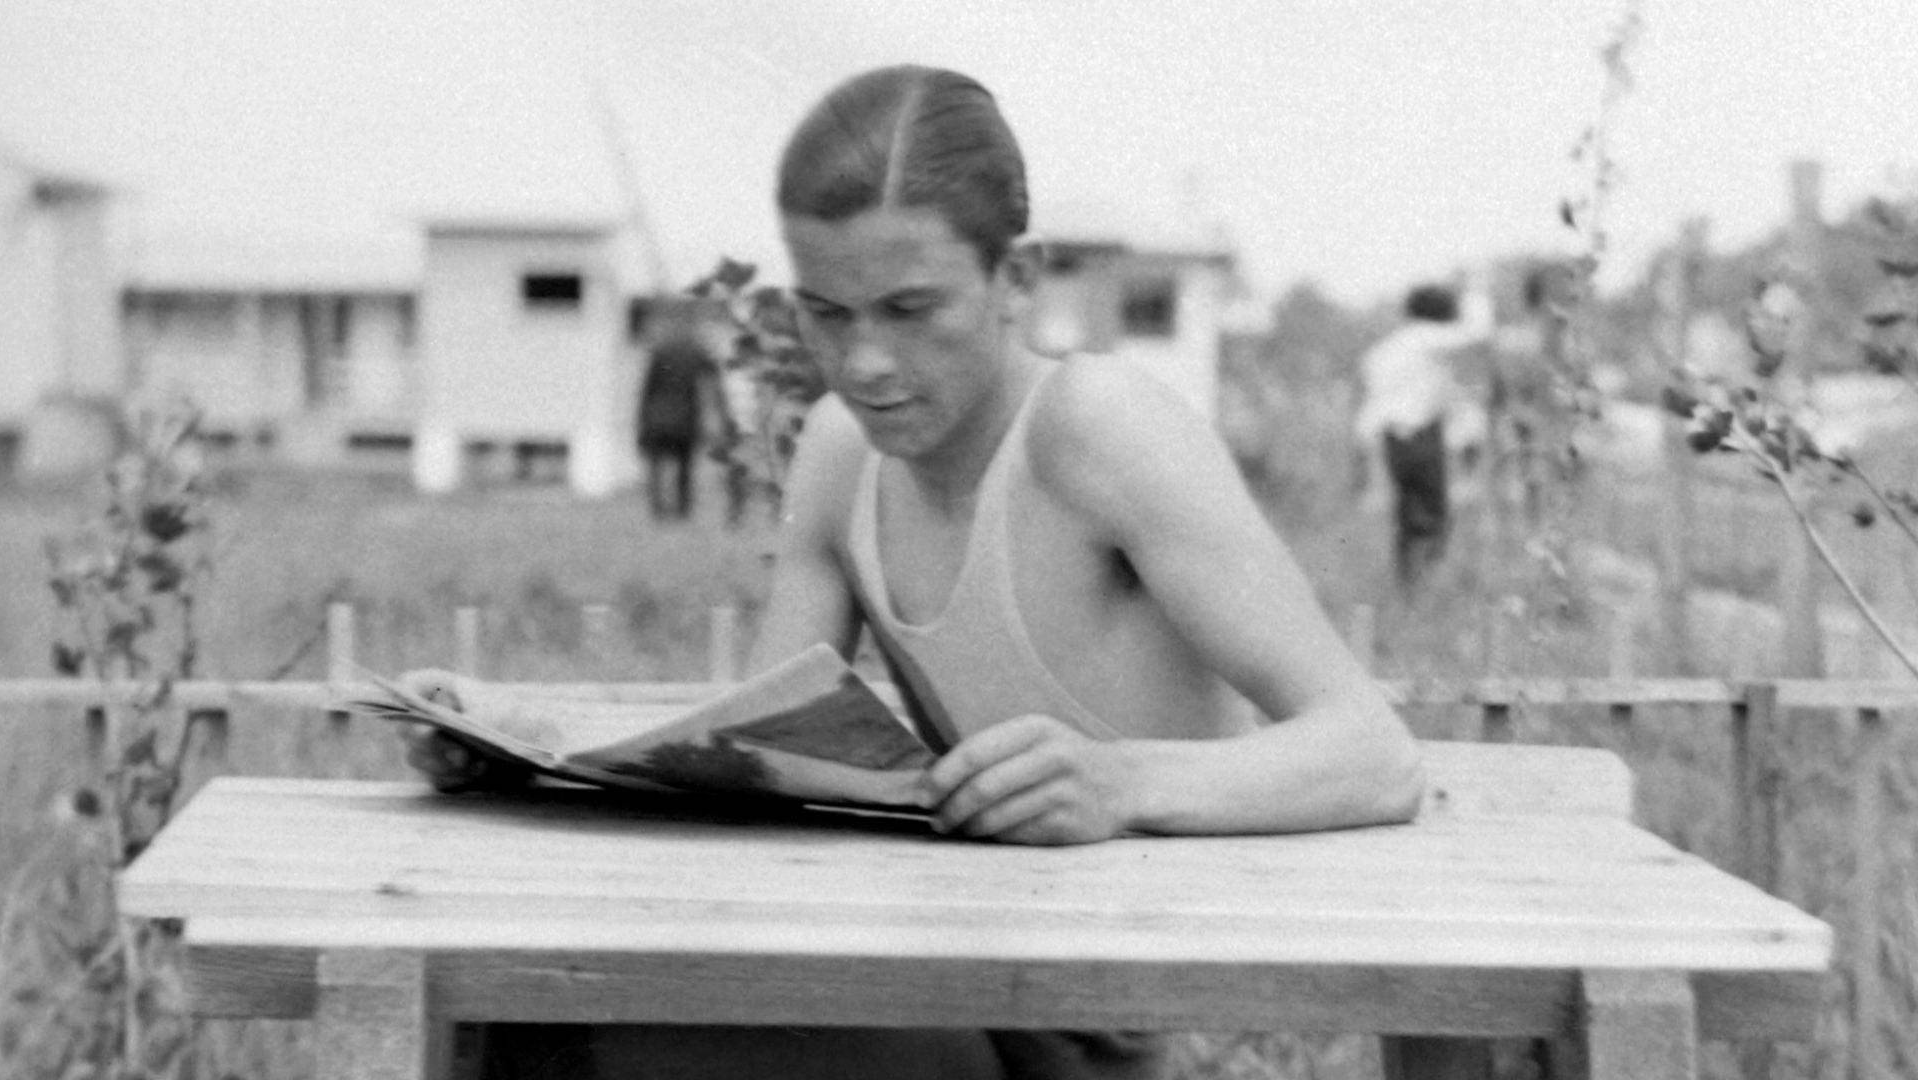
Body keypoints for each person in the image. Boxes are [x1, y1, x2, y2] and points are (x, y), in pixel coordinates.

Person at [408, 64, 1449, 1080]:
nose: (864, 363)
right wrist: (520, 747)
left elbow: (1374, 754)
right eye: (827, 313)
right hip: (927, 979)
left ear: (1017, 279)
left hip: (1081, 1034)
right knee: (513, 1021)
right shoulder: (839, 452)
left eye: (911, 310)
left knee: (548, 1042)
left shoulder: (1099, 427)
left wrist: (1122, 782)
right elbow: (749, 767)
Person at [1352, 279, 1494, 592]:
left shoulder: (1383, 350)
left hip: (1388, 440)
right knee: (1435, 515)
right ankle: (1426, 584)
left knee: (1406, 517)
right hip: (1421, 435)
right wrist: (1478, 289)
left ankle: (1408, 586)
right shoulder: (1427, 337)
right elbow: (1478, 332)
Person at [637, 332, 718, 521]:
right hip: (685, 418)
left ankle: (659, 510)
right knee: (684, 468)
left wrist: (642, 421)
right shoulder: (696, 352)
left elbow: (647, 390)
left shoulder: (659, 353)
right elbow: (712, 380)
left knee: (656, 467)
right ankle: (682, 510)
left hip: (658, 418)